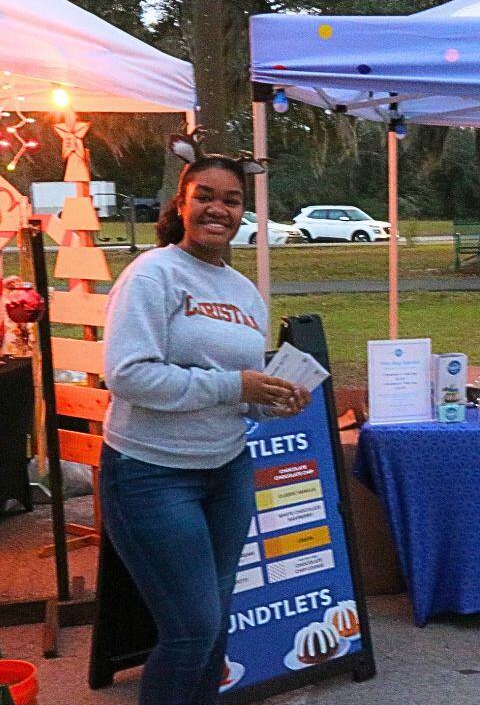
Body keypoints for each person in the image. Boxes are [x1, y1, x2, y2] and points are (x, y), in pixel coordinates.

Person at [100, 153, 311, 705]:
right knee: (191, 629)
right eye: (206, 196)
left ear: (243, 212)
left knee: (214, 628)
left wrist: (273, 399)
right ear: (182, 203)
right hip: (151, 474)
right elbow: (127, 375)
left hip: (227, 471)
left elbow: (241, 394)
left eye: (232, 199)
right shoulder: (152, 274)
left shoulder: (244, 292)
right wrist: (234, 386)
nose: (218, 208)